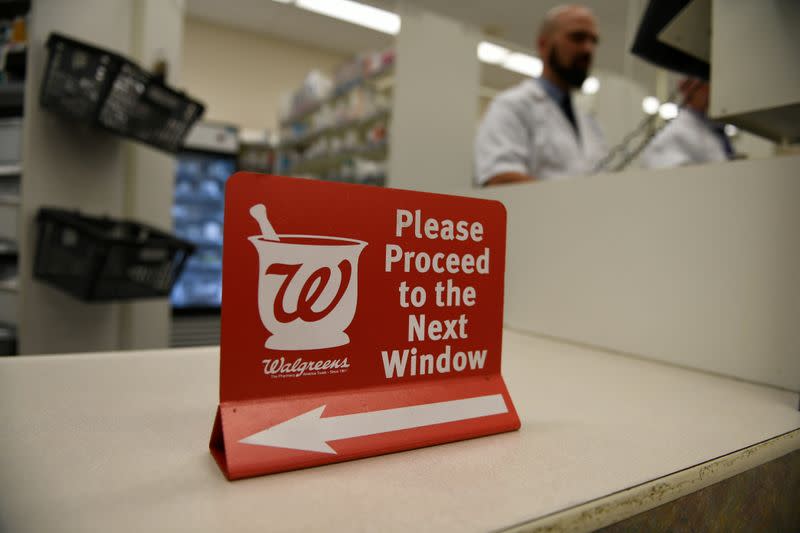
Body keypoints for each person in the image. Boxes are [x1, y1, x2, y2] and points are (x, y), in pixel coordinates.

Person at [474, 5, 608, 187]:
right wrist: (573, 202)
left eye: (593, 41)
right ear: (543, 45)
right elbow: (499, 178)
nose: (587, 49)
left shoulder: (590, 123)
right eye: (577, 38)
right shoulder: (511, 106)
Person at [639, 78, 734, 169]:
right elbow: (656, 161)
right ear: (691, 91)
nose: (709, 95)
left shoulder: (709, 128)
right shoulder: (677, 129)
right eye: (704, 89)